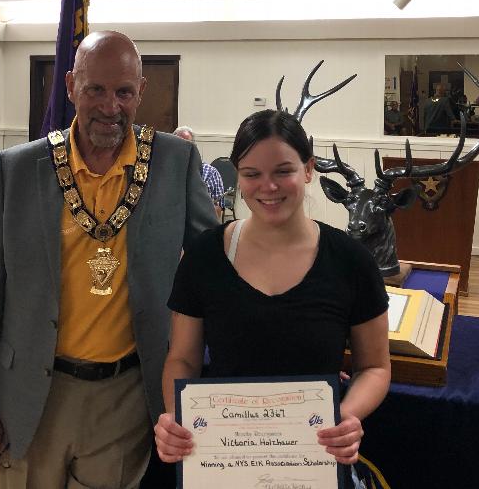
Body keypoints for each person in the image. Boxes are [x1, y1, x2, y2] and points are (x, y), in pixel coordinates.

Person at [0, 31, 218, 489]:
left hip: (126, 397)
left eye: (123, 92)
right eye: (94, 89)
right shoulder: (18, 169)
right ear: (69, 86)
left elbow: (213, 274)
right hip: (29, 393)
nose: (109, 105)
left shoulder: (175, 162)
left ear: (141, 90)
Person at [154, 110, 392, 485]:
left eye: (283, 171)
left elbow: (375, 368)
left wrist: (346, 415)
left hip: (314, 459)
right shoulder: (204, 256)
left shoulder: (351, 260)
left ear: (309, 169)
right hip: (223, 463)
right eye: (252, 174)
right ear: (237, 176)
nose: (268, 187)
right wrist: (176, 417)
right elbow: (182, 358)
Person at [173, 125, 224, 220]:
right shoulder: (167, 172)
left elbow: (218, 210)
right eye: (178, 145)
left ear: (194, 147)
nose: (183, 149)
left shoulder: (211, 173)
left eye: (187, 144)